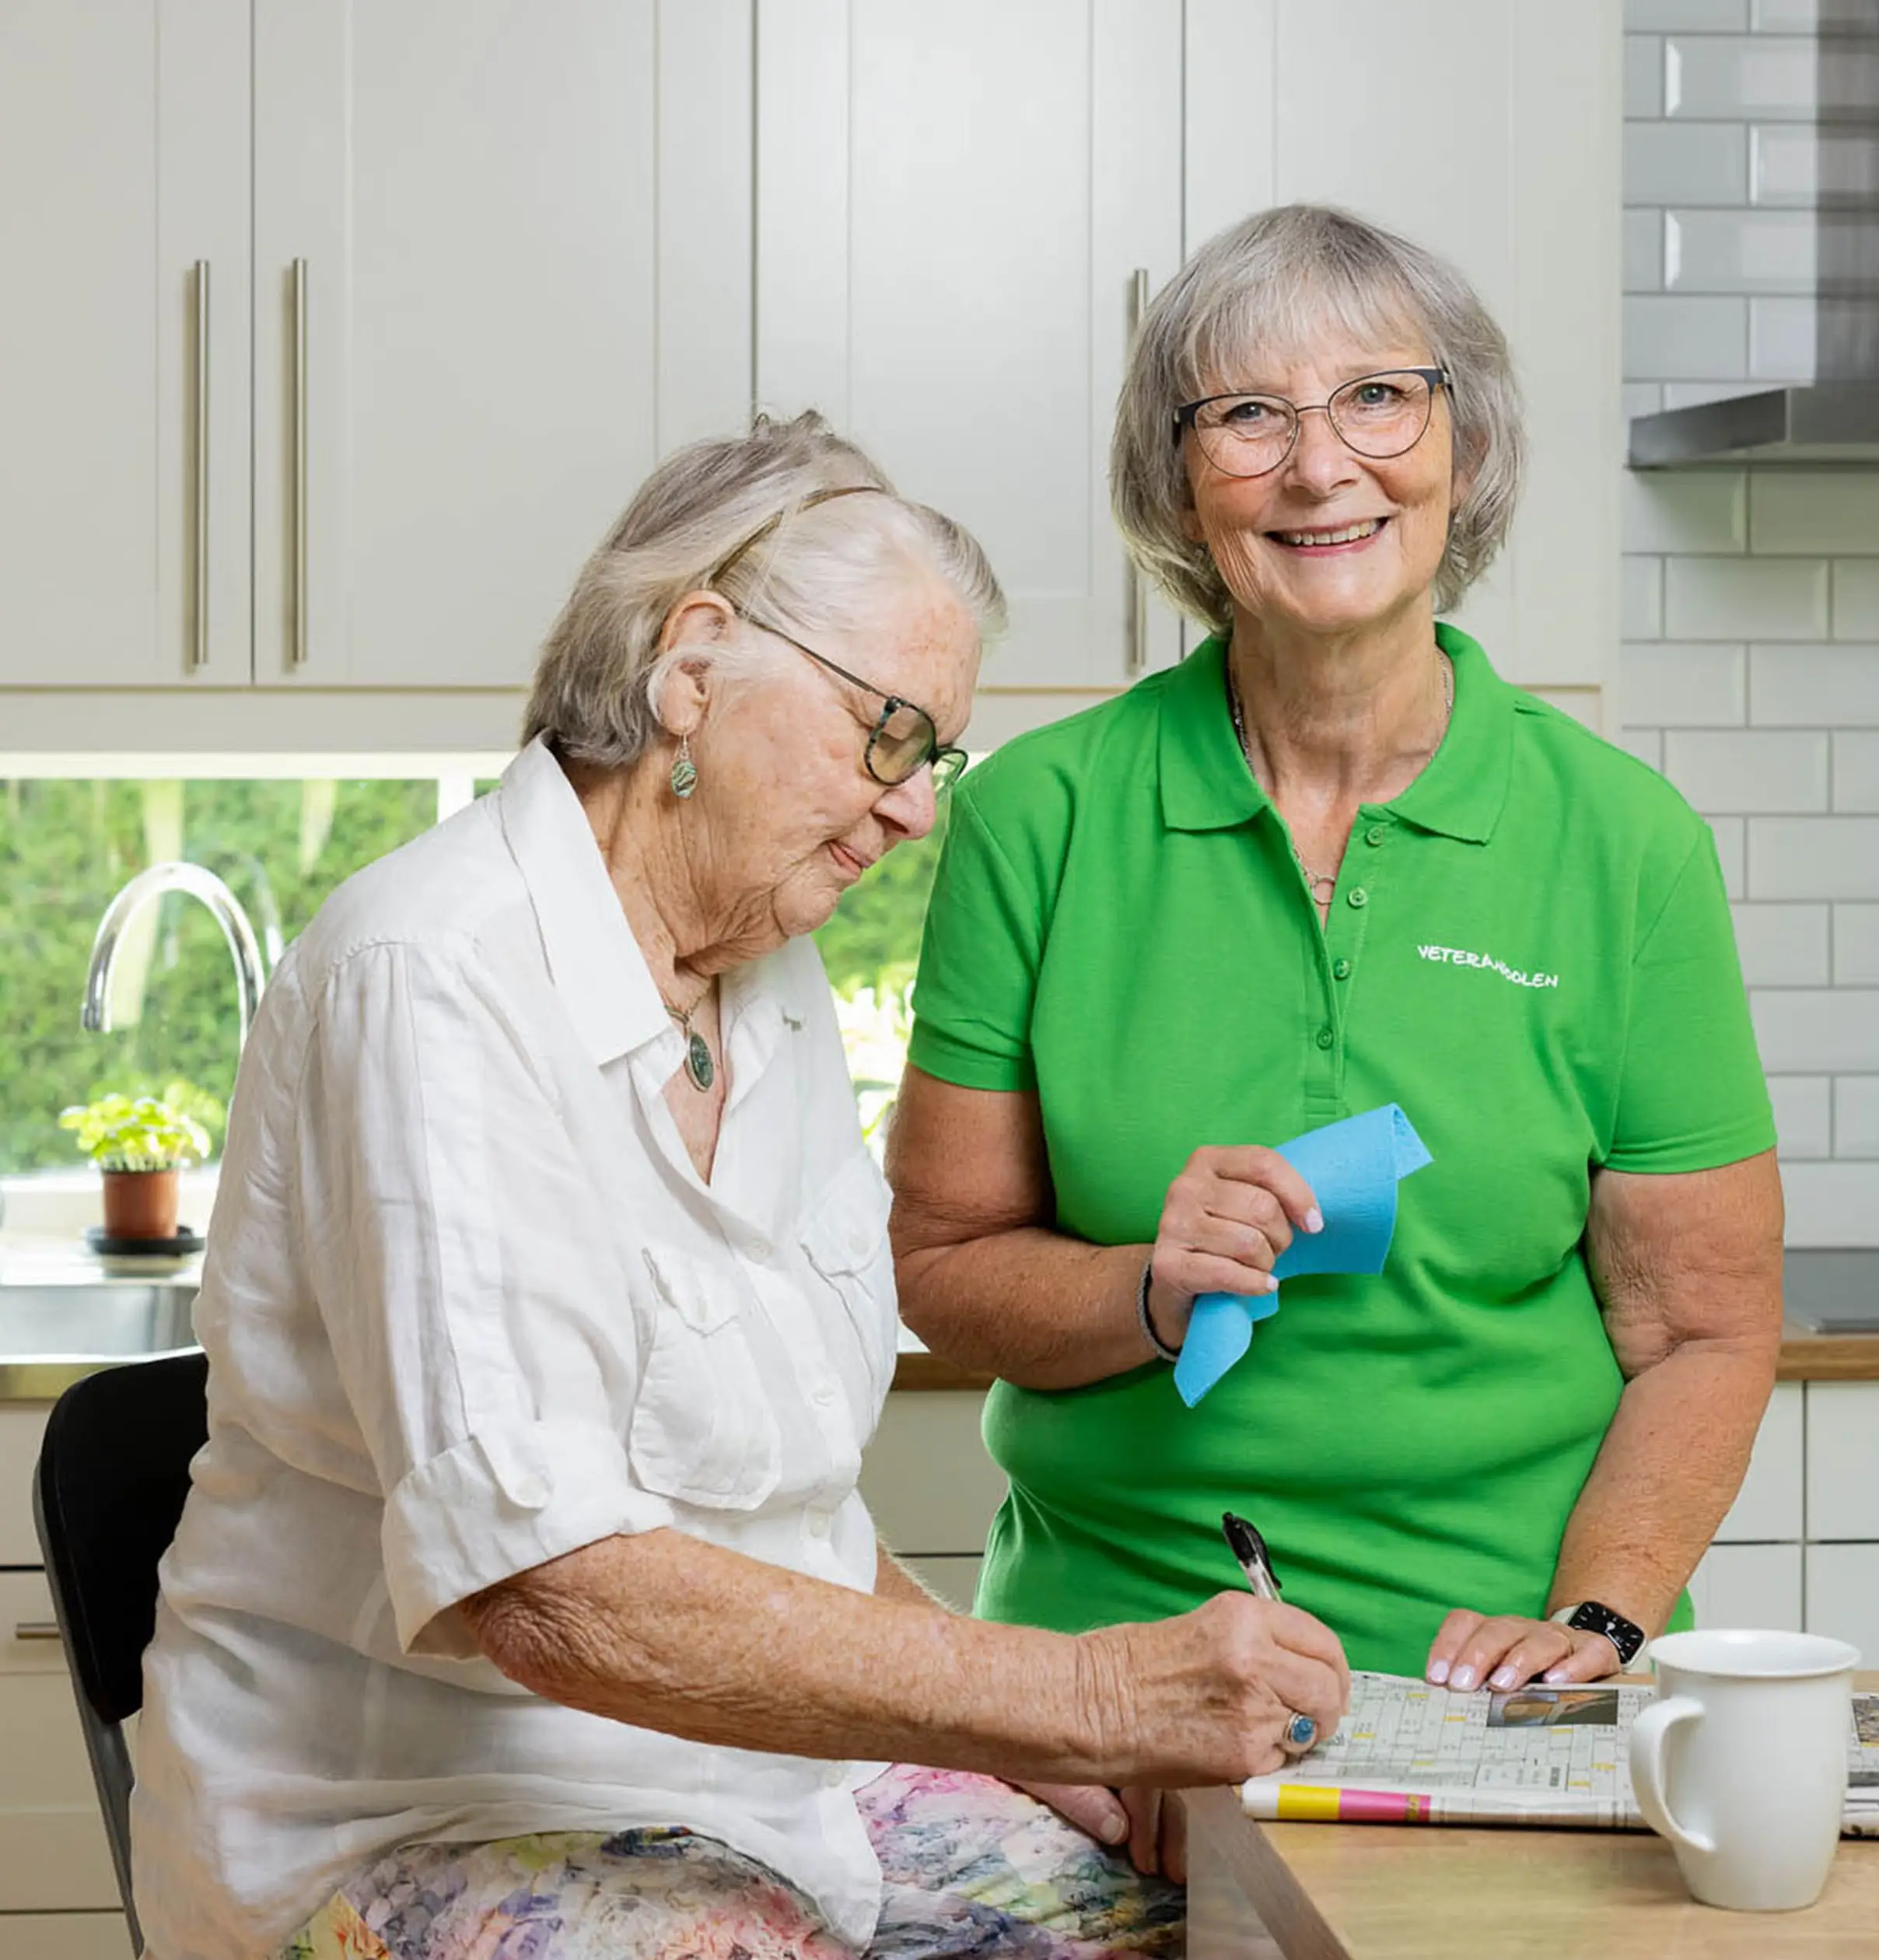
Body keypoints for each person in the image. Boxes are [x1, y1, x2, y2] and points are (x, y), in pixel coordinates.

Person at [130, 414, 1350, 1960]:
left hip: (774, 1794)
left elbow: (790, 1524)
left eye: (935, 758)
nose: (917, 807)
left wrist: (1045, 1742)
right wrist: (1090, 1691)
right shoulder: (432, 976)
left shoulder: (764, 984)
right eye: (888, 733)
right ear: (693, 666)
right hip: (421, 1814)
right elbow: (553, 1595)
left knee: (1225, 1928)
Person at [887, 205, 1783, 1708]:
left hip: (1503, 1678)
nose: (1319, 467)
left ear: (1465, 448)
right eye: (1248, 415)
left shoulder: (1627, 845)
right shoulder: (1038, 817)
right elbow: (941, 1268)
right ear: (1178, 486)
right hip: (1108, 1670)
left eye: (1378, 397)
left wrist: (1603, 1619)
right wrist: (1151, 1291)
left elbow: (1703, 1330)